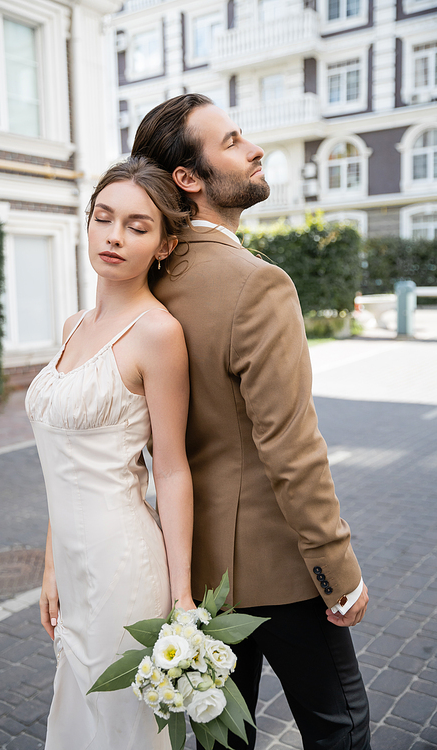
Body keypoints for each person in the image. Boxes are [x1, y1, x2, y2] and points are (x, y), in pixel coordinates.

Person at [132, 94, 371, 749]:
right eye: (232, 140)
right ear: (188, 177)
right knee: (339, 728)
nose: (255, 147)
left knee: (220, 741)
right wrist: (338, 572)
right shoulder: (255, 283)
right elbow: (292, 450)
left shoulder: (146, 286)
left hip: (193, 572)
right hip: (281, 571)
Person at [25, 156, 195, 749]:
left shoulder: (158, 333)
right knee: (79, 720)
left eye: (138, 226)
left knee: (122, 729)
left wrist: (182, 602)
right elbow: (63, 464)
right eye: (104, 218)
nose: (115, 236)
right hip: (71, 562)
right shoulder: (73, 326)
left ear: (165, 245)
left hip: (125, 564)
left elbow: (171, 469)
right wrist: (50, 567)